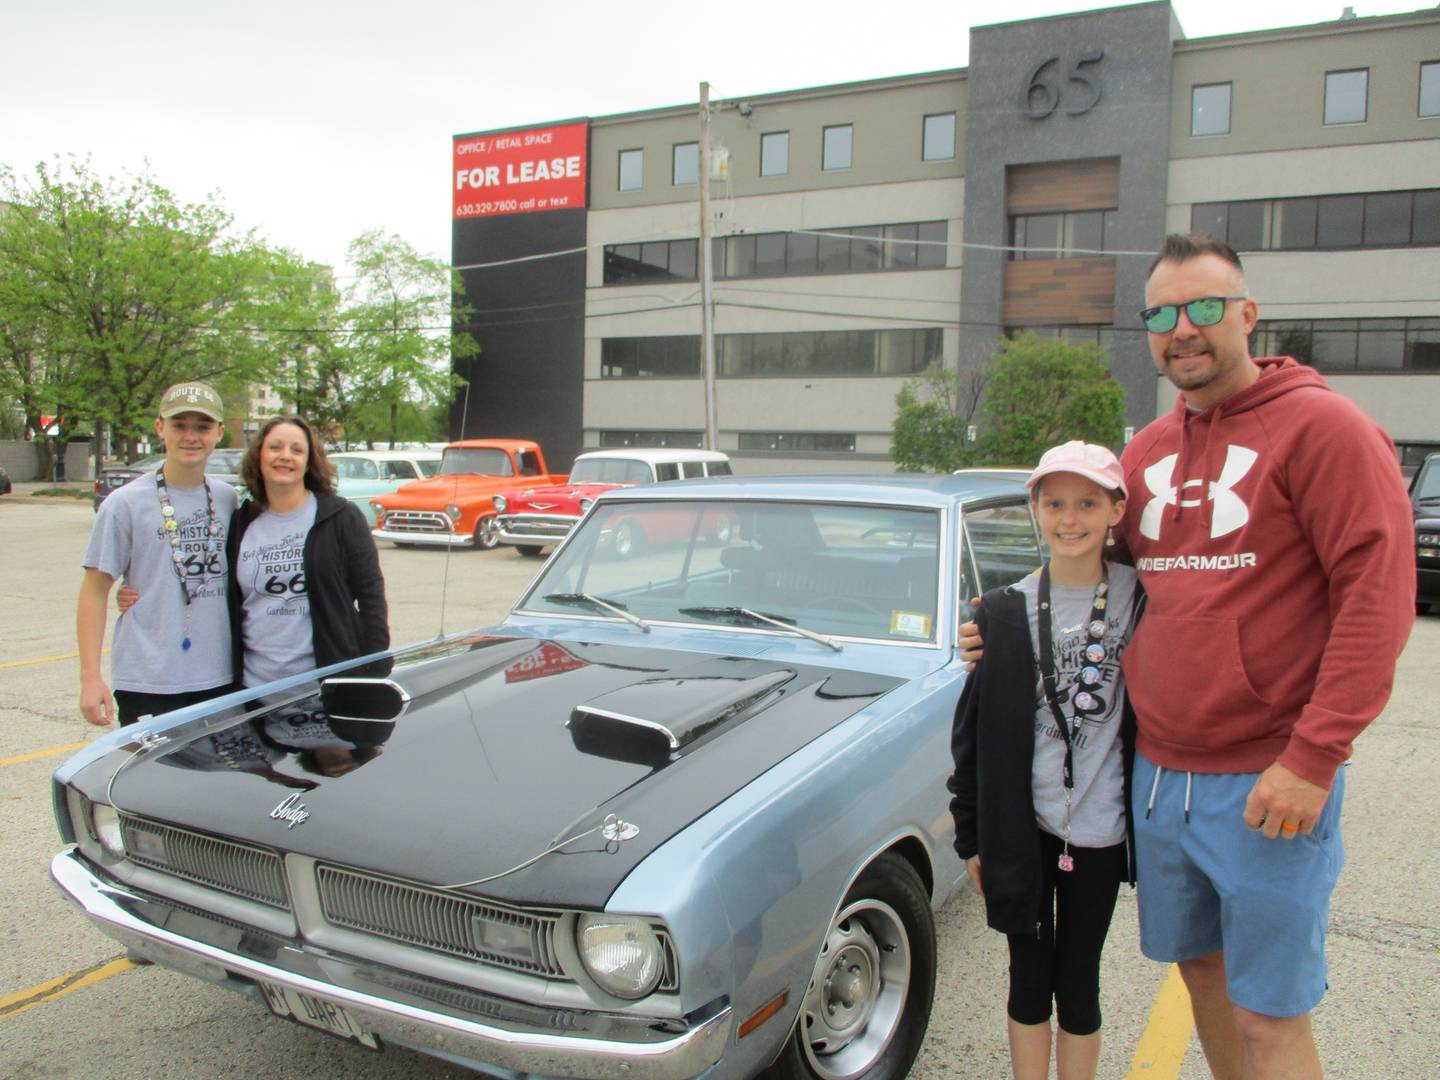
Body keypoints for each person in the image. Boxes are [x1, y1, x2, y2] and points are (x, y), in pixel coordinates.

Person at [962, 234, 1415, 1079]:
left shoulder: (1327, 429)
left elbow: (1376, 600)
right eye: (1162, 313)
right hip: (1158, 777)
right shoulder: (1150, 454)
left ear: (1248, 315)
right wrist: (1006, 621)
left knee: (1270, 1011)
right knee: (1200, 973)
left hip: (1266, 777)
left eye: (1205, 307)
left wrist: (1314, 757)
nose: (1184, 328)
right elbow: (1090, 563)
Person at [949, 442, 1141, 1080]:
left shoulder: (1142, 600)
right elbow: (971, 738)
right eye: (1055, 502)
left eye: (1088, 502)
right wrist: (973, 836)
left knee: (1080, 979)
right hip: (1021, 832)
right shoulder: (1002, 612)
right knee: (1027, 977)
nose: (1070, 518)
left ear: (1116, 509)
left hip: (1100, 828)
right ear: (1035, 507)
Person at [77, 382, 238, 727]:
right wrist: (90, 678)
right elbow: (94, 589)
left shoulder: (228, 500)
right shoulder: (124, 504)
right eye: (180, 425)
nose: (190, 436)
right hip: (148, 679)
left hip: (221, 677)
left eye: (203, 426)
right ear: (160, 428)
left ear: (219, 433)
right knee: (155, 782)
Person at [227, 416, 389, 693]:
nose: (285, 457)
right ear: (259, 455)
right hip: (257, 691)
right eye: (275, 447)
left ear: (309, 460)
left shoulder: (340, 517)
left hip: (329, 687)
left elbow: (371, 594)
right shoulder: (242, 522)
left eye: (297, 450)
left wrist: (374, 666)